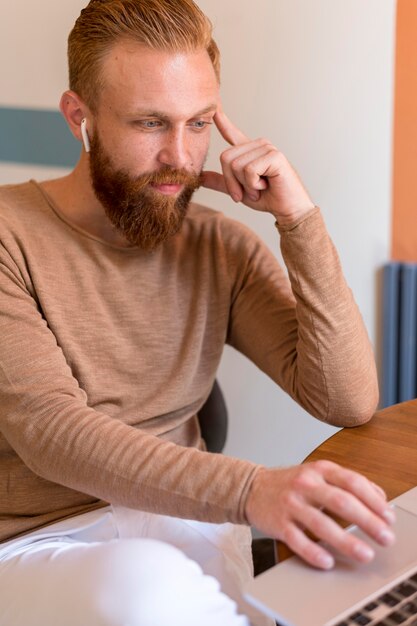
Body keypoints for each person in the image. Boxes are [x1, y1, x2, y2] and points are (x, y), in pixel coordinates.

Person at [0, 1, 395, 625]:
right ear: (81, 118)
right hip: (38, 540)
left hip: (187, 522)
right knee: (145, 585)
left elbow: (347, 400)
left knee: (364, 580)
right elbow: (53, 434)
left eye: (200, 122)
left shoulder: (219, 245)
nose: (181, 158)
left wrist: (300, 223)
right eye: (151, 123)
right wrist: (252, 490)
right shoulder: (8, 238)